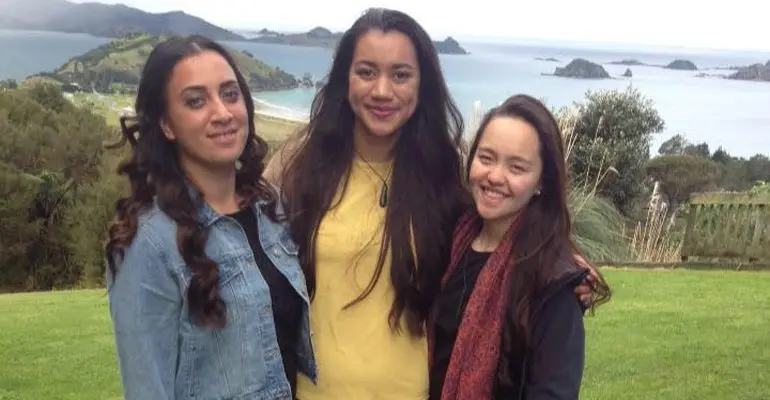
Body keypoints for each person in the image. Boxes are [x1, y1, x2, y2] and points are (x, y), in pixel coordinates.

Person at [265, 8, 598, 399]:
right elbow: (244, 236)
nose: (383, 91)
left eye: (401, 75)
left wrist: (560, 259)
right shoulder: (299, 164)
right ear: (345, 79)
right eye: (367, 71)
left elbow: (496, 229)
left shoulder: (443, 171)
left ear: (423, 84)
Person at [105, 35, 316, 400]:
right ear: (167, 125)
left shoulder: (269, 208)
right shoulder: (150, 243)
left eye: (230, 94)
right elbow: (146, 387)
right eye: (196, 101)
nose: (222, 113)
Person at [427, 94, 612, 400]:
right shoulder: (450, 241)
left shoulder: (553, 284)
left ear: (541, 182)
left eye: (516, 167)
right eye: (486, 158)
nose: (495, 176)